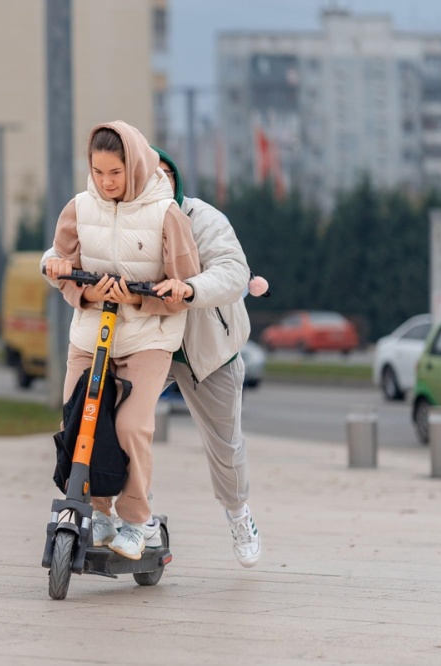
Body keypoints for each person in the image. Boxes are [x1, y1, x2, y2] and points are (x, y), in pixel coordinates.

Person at [43, 120, 201, 561]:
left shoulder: (165, 213)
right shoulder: (79, 207)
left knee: (130, 427)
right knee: (79, 424)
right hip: (92, 335)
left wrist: (137, 296)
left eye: (115, 172)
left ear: (134, 166)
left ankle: (137, 521)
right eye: (98, 172)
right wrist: (82, 289)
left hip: (147, 338)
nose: (106, 182)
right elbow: (62, 264)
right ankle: (99, 513)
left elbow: (184, 287)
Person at [153, 145, 263, 568]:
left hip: (210, 350)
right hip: (151, 344)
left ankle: (239, 515)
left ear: (176, 177)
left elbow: (234, 271)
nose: (158, 180)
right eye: (150, 173)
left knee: (225, 444)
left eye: (165, 173)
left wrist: (191, 289)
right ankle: (134, 516)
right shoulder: (127, 221)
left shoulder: (204, 218)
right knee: (120, 425)